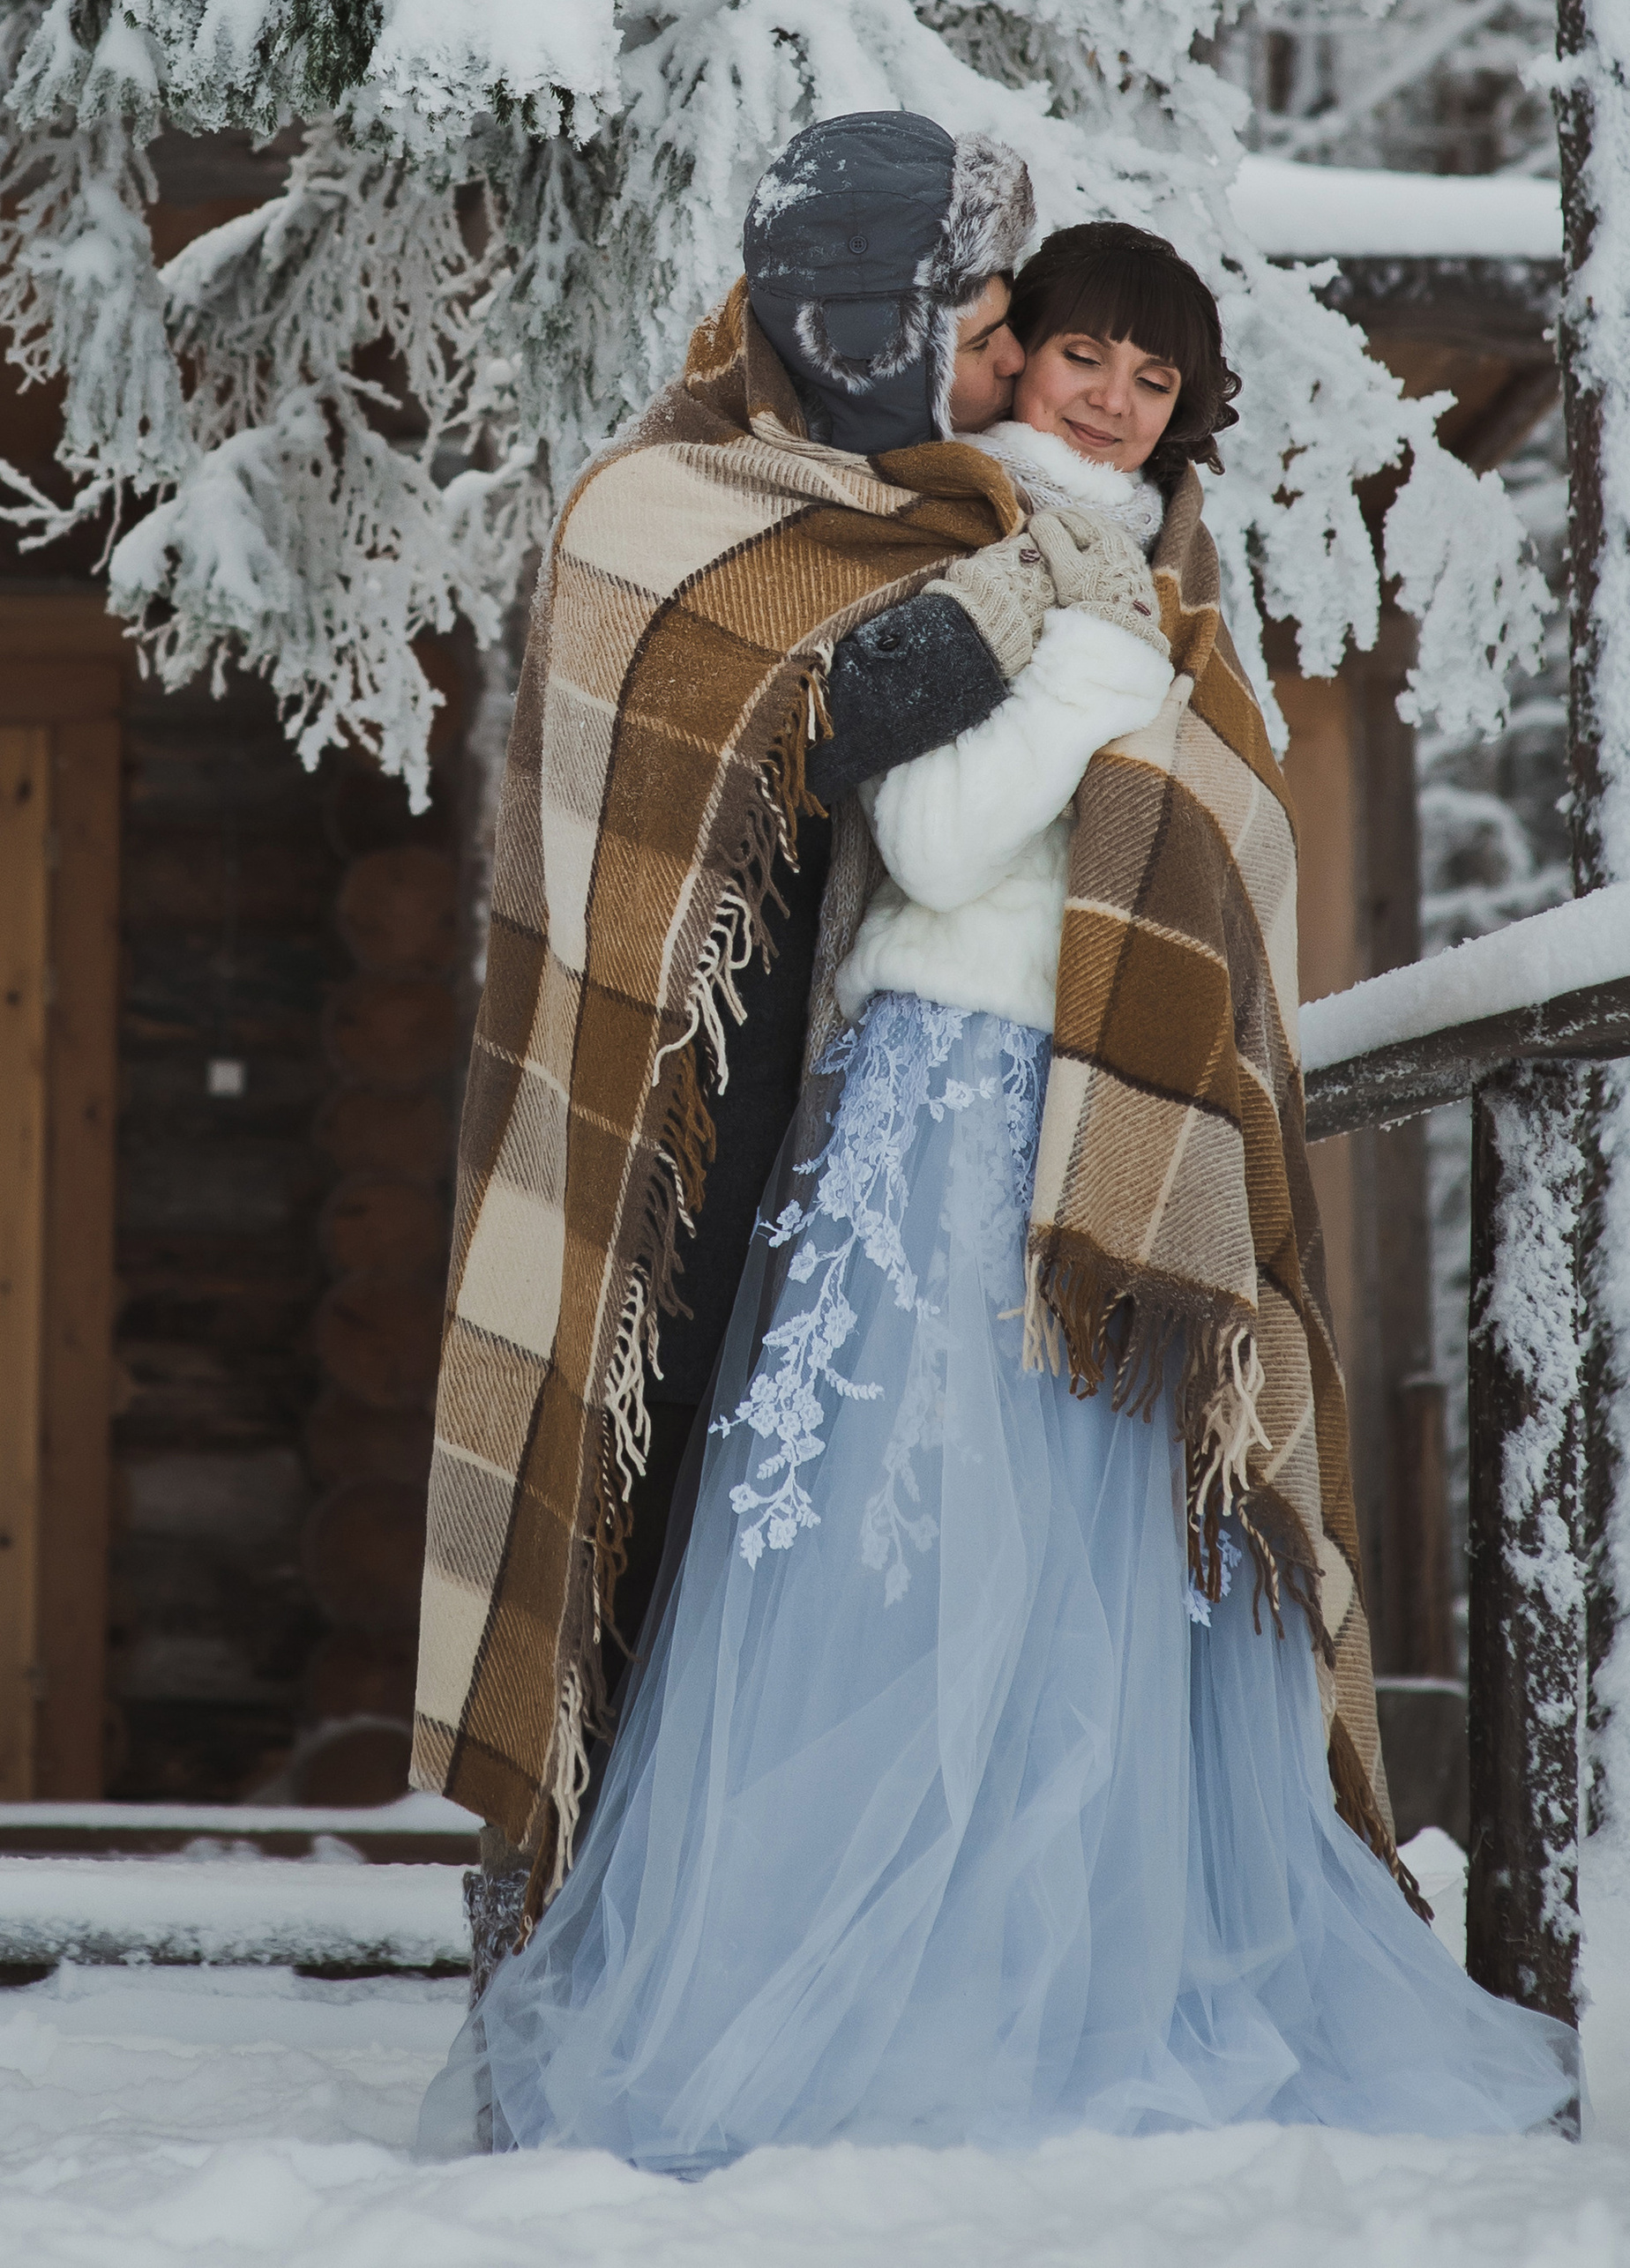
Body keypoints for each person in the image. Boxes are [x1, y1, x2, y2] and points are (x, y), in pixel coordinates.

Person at [416, 194, 1574, 2163]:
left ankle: (1059, 1993)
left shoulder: (1158, 584)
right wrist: (1088, 676)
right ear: (1012, 353)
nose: (1110, 399)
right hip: (942, 1103)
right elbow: (940, 841)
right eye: (1079, 354)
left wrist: (1117, 662)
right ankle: (849, 2014)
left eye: (1152, 377)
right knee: (895, 1561)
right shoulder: (946, 541)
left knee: (1083, 1583)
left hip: (1103, 1130)